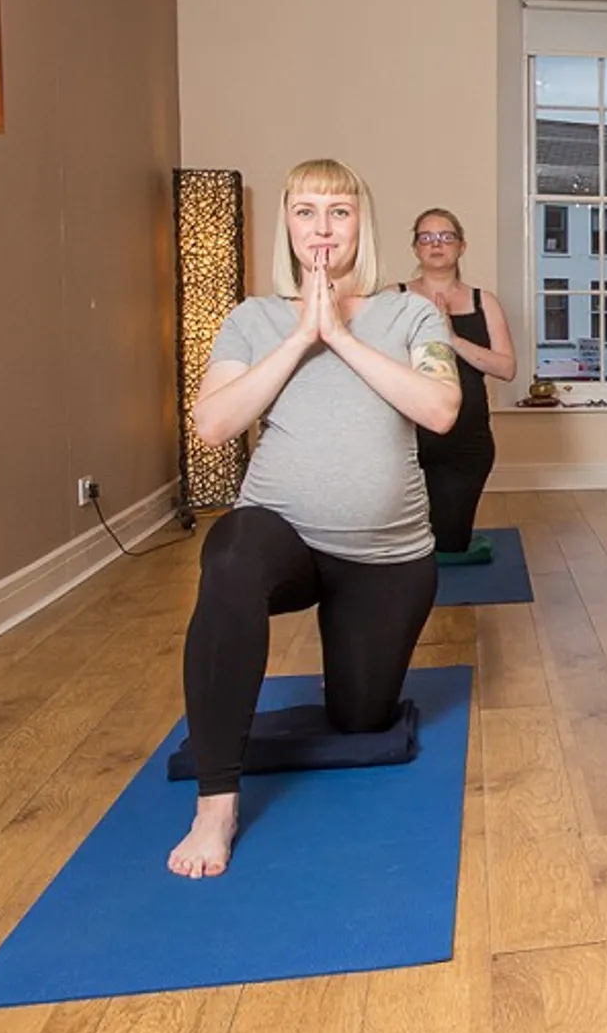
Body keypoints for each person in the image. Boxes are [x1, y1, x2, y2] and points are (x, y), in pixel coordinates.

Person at [171, 159, 461, 878]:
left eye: (338, 211)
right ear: (289, 226)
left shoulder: (411, 314)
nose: (322, 227)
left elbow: (440, 409)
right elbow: (213, 423)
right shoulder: (254, 318)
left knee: (361, 720)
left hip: (386, 559)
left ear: (361, 223)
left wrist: (342, 336)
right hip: (285, 538)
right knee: (232, 552)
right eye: (306, 211)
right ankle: (217, 802)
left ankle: (352, 680)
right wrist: (301, 335)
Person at [400, 208, 514, 554]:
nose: (436, 244)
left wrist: (450, 336)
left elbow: (506, 368)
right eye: (427, 237)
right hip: (407, 438)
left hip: (467, 439)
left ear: (461, 246)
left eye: (446, 237)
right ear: (416, 248)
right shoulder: (395, 298)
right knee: (409, 542)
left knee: (450, 542)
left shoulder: (484, 301)